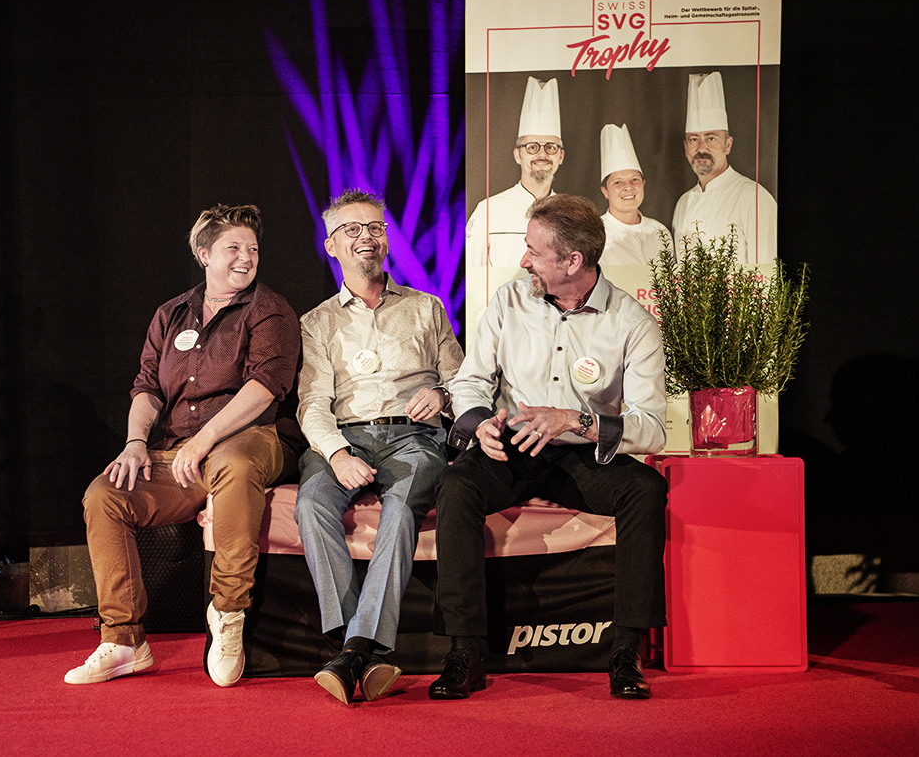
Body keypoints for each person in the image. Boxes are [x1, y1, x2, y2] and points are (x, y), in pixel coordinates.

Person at [429, 194, 668, 701]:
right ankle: (465, 650)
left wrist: (574, 420)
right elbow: (471, 381)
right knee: (456, 485)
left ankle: (626, 649)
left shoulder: (633, 323)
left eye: (534, 251)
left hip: (583, 454)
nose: (523, 260)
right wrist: (478, 424)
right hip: (513, 445)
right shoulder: (508, 301)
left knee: (645, 489)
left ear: (573, 261)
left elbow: (651, 428)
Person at [64, 204, 300, 688]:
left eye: (253, 249)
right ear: (204, 254)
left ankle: (228, 613)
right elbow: (147, 386)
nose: (246, 258)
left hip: (253, 438)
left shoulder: (269, 309)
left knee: (233, 462)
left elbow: (265, 388)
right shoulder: (171, 313)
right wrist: (135, 442)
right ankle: (125, 641)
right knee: (105, 495)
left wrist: (206, 439)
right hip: (181, 451)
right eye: (233, 248)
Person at [296, 189, 464, 704]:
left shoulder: (426, 307)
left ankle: (350, 652)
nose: (366, 237)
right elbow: (311, 403)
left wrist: (442, 395)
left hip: (414, 437)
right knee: (311, 503)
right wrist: (336, 453)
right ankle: (362, 650)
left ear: (386, 239)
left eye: (374, 227)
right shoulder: (316, 322)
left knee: (401, 510)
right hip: (345, 437)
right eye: (351, 229)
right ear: (331, 245)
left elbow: (465, 383)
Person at [671, 72, 777, 263]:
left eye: (711, 138)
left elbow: (766, 271)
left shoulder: (754, 198)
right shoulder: (683, 203)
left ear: (727, 145)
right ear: (686, 148)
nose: (701, 148)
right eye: (694, 139)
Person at [465, 76, 564, 268]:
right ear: (518, 155)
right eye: (532, 147)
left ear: (561, 156)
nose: (542, 154)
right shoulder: (488, 211)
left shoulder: (571, 214)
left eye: (551, 147)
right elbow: (472, 273)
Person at [598, 123, 671, 266]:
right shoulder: (595, 235)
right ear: (605, 191)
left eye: (635, 180)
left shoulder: (660, 232)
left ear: (643, 183)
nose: (628, 187)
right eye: (618, 182)